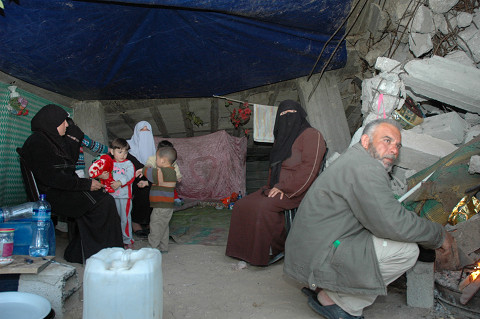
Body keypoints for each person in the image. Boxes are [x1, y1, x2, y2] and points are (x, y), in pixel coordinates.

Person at [284, 119, 455, 319]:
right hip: (319, 255)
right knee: (406, 251)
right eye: (387, 140)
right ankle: (337, 301)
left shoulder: (356, 160)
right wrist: (438, 235)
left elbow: (381, 214)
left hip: (312, 251)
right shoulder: (366, 168)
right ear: (366, 141)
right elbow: (393, 223)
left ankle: (325, 286)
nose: (394, 150)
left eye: (397, 145)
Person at [226, 100, 326, 266]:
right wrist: (273, 186)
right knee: (241, 205)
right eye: (282, 114)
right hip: (276, 187)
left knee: (263, 207)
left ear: (300, 114)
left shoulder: (312, 135)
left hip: (299, 189)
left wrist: (284, 188)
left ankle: (276, 249)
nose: (287, 117)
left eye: (291, 113)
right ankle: (243, 251)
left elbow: (309, 170)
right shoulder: (282, 137)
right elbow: (275, 168)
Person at [19, 104, 123, 263]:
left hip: (60, 190)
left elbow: (65, 170)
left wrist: (85, 183)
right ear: (52, 122)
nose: (67, 125)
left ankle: (83, 252)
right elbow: (53, 178)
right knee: (103, 202)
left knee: (103, 197)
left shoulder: (49, 140)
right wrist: (86, 184)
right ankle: (98, 255)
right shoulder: (37, 142)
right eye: (63, 121)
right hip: (53, 194)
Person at [136, 146, 177, 252]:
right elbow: (159, 183)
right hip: (167, 207)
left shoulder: (163, 172)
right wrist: (145, 183)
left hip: (160, 207)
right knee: (163, 227)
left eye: (157, 159)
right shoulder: (171, 172)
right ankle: (164, 247)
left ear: (163, 161)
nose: (155, 160)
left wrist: (143, 169)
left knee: (155, 227)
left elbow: (152, 173)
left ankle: (152, 248)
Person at [127, 121, 157, 236]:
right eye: (142, 130)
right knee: (143, 190)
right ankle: (135, 221)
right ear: (136, 132)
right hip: (132, 177)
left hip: (149, 175)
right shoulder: (128, 147)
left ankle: (150, 221)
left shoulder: (154, 149)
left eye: (147, 131)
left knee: (154, 188)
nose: (145, 134)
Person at [109, 138, 136, 249]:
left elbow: (130, 176)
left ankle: (127, 240)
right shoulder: (108, 163)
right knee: (113, 219)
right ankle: (115, 239)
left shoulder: (128, 164)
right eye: (120, 152)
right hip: (111, 196)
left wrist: (120, 182)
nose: (123, 155)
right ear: (112, 151)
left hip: (124, 197)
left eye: (125, 152)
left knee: (125, 219)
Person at [146, 140, 183, 205]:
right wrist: (149, 166)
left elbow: (176, 168)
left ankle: (175, 198)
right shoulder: (153, 158)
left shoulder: (171, 160)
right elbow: (150, 162)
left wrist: (178, 176)